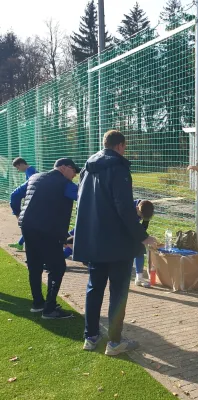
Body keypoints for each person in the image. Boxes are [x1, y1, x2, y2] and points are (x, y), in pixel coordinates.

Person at [74, 130, 157, 355]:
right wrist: (143, 236)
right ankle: (114, 342)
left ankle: (90, 337)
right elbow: (122, 207)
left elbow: (86, 203)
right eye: (125, 147)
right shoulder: (118, 168)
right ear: (120, 146)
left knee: (94, 288)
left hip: (94, 240)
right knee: (118, 293)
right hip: (117, 243)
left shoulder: (87, 168)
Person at [18, 158, 79, 319]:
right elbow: (82, 196)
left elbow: (14, 195)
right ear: (65, 168)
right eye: (74, 171)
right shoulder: (64, 183)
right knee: (58, 267)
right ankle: (50, 308)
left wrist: (18, 213)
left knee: (35, 266)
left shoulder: (35, 177)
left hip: (27, 227)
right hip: (47, 230)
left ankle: (38, 303)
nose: (74, 175)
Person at [9, 157, 38, 251]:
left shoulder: (30, 170)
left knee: (30, 225)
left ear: (20, 164)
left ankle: (18, 214)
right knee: (29, 224)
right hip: (32, 201)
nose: (18, 170)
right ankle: (20, 243)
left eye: (17, 168)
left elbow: (31, 183)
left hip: (34, 202)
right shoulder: (30, 170)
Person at [133, 199, 155, 288]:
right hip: (118, 228)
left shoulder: (147, 210)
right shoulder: (128, 209)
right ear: (137, 209)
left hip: (133, 228)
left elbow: (144, 226)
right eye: (141, 216)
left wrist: (144, 238)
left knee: (140, 248)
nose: (142, 218)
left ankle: (139, 278)